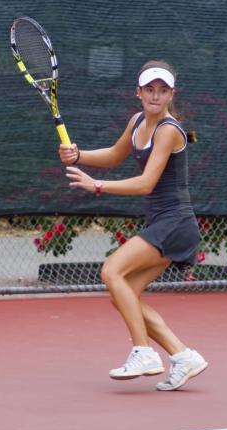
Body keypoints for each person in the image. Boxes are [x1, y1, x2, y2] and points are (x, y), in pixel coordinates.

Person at [59, 60, 207, 391]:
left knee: (112, 272)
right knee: (124, 293)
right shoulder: (137, 121)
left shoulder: (168, 130)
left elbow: (146, 184)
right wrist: (79, 154)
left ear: (172, 94)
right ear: (138, 93)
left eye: (162, 90)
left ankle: (144, 352)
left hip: (175, 222)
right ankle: (183, 356)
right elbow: (113, 155)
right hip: (163, 222)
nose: (156, 96)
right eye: (150, 89)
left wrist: (97, 186)